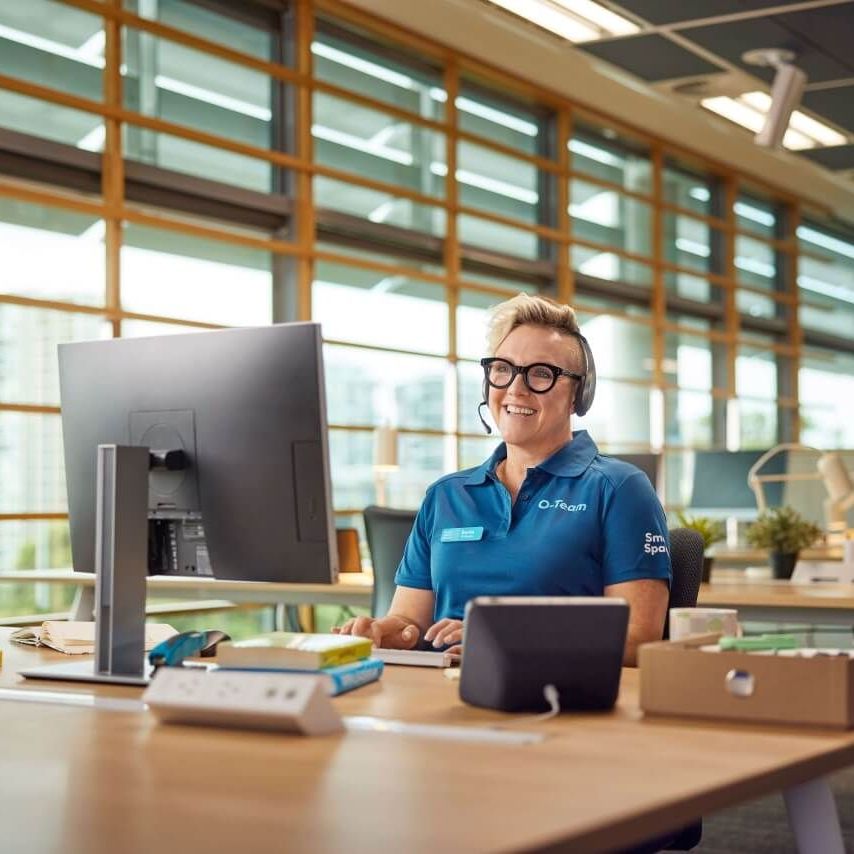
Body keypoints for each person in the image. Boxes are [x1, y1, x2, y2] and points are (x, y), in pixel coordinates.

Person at [335, 293, 671, 665]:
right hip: (443, 699)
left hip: (550, 702)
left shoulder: (620, 490)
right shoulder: (446, 496)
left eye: (541, 373)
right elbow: (411, 623)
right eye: (502, 369)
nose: (516, 388)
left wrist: (509, 638)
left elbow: (638, 639)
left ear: (579, 394)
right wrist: (386, 632)